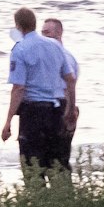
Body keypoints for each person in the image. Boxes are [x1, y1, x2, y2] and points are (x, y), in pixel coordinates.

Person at [0, 6, 75, 182]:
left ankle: (37, 203)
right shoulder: (55, 46)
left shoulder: (20, 49)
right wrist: (70, 110)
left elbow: (19, 88)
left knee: (33, 166)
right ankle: (63, 204)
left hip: (33, 112)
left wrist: (8, 121)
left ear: (18, 26)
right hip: (57, 110)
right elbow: (70, 79)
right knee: (57, 164)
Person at [41, 16, 80, 169]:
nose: (43, 37)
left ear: (59, 34)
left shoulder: (65, 57)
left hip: (63, 111)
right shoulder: (51, 56)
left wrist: (70, 113)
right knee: (49, 160)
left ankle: (63, 192)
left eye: (47, 33)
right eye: (42, 33)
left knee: (59, 162)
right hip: (54, 110)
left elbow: (69, 86)